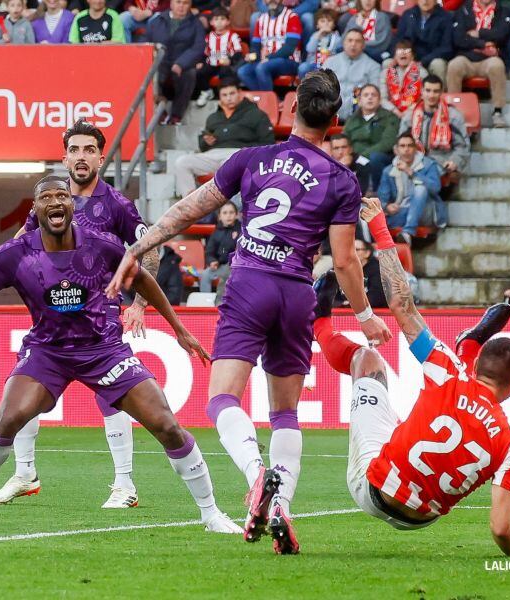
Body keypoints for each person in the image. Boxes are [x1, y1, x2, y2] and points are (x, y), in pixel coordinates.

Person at [105, 70, 392, 555]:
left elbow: (188, 209)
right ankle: (281, 503)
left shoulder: (253, 159)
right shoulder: (342, 179)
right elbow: (344, 262)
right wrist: (364, 317)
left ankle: (258, 475)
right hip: (297, 293)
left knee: (222, 399)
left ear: (290, 111)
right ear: (336, 121)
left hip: (250, 283)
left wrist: (139, 247)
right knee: (285, 412)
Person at [0, 176, 242, 535]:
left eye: (61, 196)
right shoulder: (16, 253)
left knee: (167, 425)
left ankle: (211, 514)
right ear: (35, 209)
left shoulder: (102, 245)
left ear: (71, 205)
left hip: (104, 350)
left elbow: (141, 279)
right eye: (45, 197)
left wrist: (178, 327)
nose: (54, 202)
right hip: (47, 352)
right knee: (7, 418)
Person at [312, 199, 510, 558]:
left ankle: (318, 322)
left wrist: (382, 229)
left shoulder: (448, 373)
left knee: (367, 360)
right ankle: (471, 342)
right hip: (421, 518)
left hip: (372, 488)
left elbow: (402, 306)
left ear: (479, 367)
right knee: (414, 420)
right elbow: (501, 528)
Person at [0, 121, 159, 508]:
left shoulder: (116, 204)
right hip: (53, 322)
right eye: (74, 150)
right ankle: (25, 473)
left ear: (100, 157)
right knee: (24, 393)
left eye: (88, 150)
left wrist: (140, 304)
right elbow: (21, 244)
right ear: (64, 157)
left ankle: (124, 485)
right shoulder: (50, 200)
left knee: (112, 398)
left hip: (99, 325)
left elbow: (150, 249)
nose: (81, 157)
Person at [175, 79, 275, 198]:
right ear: (220, 97)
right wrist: (205, 141)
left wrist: (247, 151)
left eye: (232, 94)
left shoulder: (256, 114)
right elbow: (202, 146)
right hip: (213, 154)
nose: (228, 98)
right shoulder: (213, 117)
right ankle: (191, 204)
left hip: (240, 154)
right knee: (182, 162)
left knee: (228, 165)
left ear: (239, 93)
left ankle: (232, 206)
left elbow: (268, 143)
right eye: (224, 95)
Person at [447, 0, 510, 128]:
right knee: (454, 66)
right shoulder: (464, 10)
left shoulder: (503, 11)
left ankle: (497, 112)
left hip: (489, 59)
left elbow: (502, 34)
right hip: (466, 57)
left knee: (497, 66)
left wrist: (479, 33)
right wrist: (483, 44)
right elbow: (458, 38)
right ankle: (452, 112)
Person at [400, 74, 470, 186]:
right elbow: (400, 143)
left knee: (422, 181)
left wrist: (454, 161)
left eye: (436, 91)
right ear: (422, 91)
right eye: (428, 90)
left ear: (441, 92)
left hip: (442, 162)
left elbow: (463, 146)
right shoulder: (410, 116)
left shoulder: (453, 116)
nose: (431, 95)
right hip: (414, 160)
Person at [377, 131, 443, 245]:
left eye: (410, 146)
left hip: (426, 210)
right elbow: (382, 198)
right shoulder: (388, 171)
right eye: (402, 146)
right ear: (396, 150)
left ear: (415, 149)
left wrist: (411, 172)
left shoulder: (428, 164)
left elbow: (436, 188)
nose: (406, 149)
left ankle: (408, 231)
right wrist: (387, 206)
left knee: (420, 188)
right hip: (401, 210)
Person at [146, 0, 205, 125]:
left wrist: (181, 63)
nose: (181, 6)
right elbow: (147, 43)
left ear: (190, 5)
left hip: (183, 63)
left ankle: (176, 115)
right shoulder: (157, 21)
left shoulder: (196, 24)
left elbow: (198, 48)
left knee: (189, 74)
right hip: (160, 61)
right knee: (150, 73)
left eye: (185, 3)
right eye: (178, 2)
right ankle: (160, 113)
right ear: (171, 4)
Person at [343, 84, 400, 194]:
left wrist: (363, 156)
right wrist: (347, 156)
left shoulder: (389, 117)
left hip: (381, 158)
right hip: (355, 157)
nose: (370, 97)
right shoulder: (352, 119)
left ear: (379, 100)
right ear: (359, 100)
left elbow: (388, 142)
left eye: (373, 95)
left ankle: (377, 193)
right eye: (366, 95)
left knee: (375, 158)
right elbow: (344, 139)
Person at [238, 0, 302, 92]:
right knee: (243, 71)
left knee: (262, 67)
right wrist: (252, 56)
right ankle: (269, 99)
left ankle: (267, 103)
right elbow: (255, 46)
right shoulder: (261, 19)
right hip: (266, 61)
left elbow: (289, 48)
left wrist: (269, 57)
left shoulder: (292, 17)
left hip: (289, 60)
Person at [323, 28, 381, 122]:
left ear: (363, 45)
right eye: (350, 40)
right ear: (344, 43)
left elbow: (375, 94)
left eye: (357, 41)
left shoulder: (373, 66)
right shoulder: (330, 62)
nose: (353, 44)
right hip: (330, 114)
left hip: (358, 117)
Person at [392, 0, 454, 83]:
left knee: (438, 64)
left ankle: (439, 94)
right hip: (409, 57)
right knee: (387, 63)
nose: (425, 1)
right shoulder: (408, 14)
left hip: (432, 58)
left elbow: (446, 48)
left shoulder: (445, 17)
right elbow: (398, 40)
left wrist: (423, 61)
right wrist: (399, 54)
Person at [194, 8, 243, 107]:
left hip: (226, 64)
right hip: (212, 63)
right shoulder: (208, 37)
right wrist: (200, 62)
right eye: (216, 19)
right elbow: (203, 53)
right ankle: (206, 92)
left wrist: (230, 60)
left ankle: (224, 97)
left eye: (222, 19)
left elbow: (238, 53)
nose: (219, 22)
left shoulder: (233, 36)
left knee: (225, 73)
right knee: (199, 72)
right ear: (211, 22)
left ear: (228, 21)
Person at [200, 202, 241, 296]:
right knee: (206, 274)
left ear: (236, 215)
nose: (228, 216)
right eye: (225, 213)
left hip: (236, 268)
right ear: (219, 216)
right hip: (220, 267)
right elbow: (209, 252)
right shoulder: (216, 232)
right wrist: (212, 261)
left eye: (231, 212)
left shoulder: (241, 230)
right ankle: (206, 304)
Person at [331, 239, 387, 308]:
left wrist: (351, 305)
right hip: (343, 312)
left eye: (356, 249)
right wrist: (341, 304)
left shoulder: (378, 270)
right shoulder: (338, 269)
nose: (351, 253)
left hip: (373, 313)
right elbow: (328, 296)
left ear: (367, 253)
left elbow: (377, 297)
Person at [380, 40, 424, 118]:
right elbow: (382, 99)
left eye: (407, 50)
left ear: (413, 56)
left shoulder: (422, 73)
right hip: (391, 112)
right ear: (395, 56)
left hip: (414, 113)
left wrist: (408, 112)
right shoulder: (386, 73)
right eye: (399, 51)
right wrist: (395, 111)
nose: (403, 53)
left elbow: (424, 98)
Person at [298, 8, 341, 79]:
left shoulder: (337, 37)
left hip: (329, 66)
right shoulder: (315, 35)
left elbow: (337, 51)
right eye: (322, 21)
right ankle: (305, 88)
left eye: (329, 21)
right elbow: (309, 49)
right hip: (313, 65)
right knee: (303, 67)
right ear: (317, 25)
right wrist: (319, 35)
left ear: (334, 25)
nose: (326, 23)